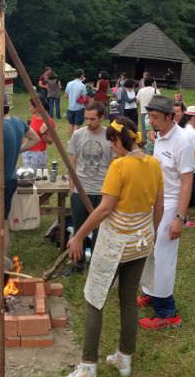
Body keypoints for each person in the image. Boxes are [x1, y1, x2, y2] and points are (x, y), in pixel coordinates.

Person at [66, 116, 163, 377]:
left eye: (112, 142)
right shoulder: (154, 164)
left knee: (94, 299)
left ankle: (87, 366)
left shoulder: (119, 167)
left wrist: (78, 236)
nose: (111, 147)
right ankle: (124, 358)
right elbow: (159, 207)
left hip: (115, 243)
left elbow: (105, 208)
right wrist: (149, 233)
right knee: (128, 300)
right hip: (141, 243)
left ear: (120, 140)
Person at [138, 95, 195, 330]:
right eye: (150, 117)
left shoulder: (182, 141)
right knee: (150, 251)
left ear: (171, 117)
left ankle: (167, 312)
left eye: (156, 118)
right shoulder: (160, 136)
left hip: (172, 205)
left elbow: (186, 182)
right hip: (156, 202)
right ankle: (152, 294)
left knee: (163, 258)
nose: (152, 122)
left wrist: (179, 219)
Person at [0, 89, 40, 249]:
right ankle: (3, 257)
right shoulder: (18, 122)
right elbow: (35, 138)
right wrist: (18, 149)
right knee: (2, 220)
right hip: (11, 180)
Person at [67, 101, 114, 273]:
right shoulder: (78, 135)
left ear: (102, 118)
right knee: (79, 229)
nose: (88, 122)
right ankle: (77, 264)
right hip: (81, 191)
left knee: (100, 231)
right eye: (86, 118)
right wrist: (71, 186)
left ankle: (95, 266)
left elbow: (115, 164)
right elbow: (71, 161)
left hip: (102, 192)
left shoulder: (110, 137)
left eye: (93, 119)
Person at [23, 98, 53, 171]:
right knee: (28, 177)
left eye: (30, 106)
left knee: (37, 179)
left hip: (38, 154)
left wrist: (43, 133)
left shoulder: (48, 121)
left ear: (37, 107)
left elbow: (50, 141)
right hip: (27, 151)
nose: (29, 108)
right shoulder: (34, 117)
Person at [65, 70, 88, 134]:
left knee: (71, 124)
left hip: (70, 107)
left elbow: (66, 96)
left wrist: (72, 97)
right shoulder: (82, 85)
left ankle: (71, 140)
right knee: (77, 125)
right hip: (79, 107)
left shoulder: (69, 83)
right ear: (82, 75)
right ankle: (74, 140)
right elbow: (84, 99)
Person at [136, 76, 158, 141]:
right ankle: (153, 140)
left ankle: (144, 141)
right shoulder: (155, 90)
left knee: (144, 128)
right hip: (154, 112)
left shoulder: (141, 90)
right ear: (152, 83)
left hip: (143, 111)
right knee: (154, 127)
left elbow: (137, 101)